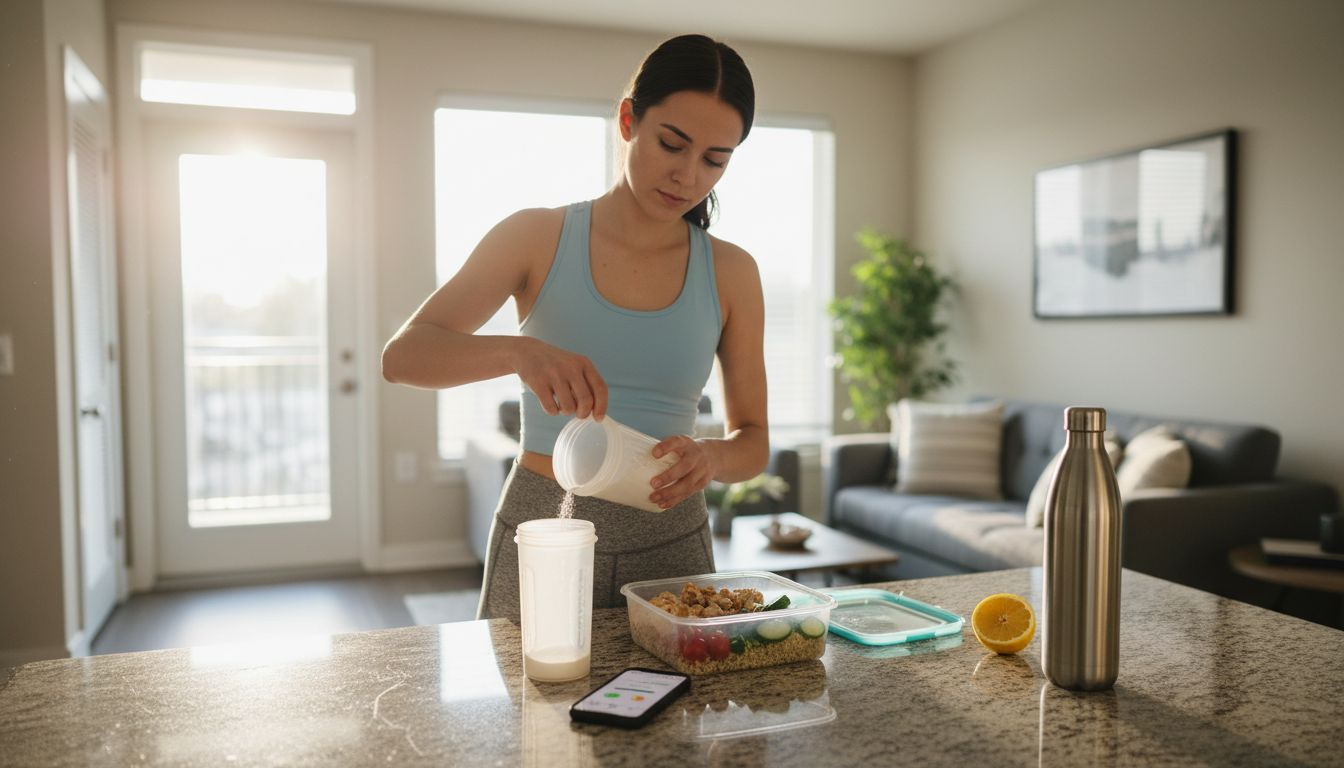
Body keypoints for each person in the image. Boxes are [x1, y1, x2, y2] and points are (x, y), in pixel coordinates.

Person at [381, 34, 768, 620]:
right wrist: (520, 352)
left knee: (672, 710)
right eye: (672, 144)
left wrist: (712, 458)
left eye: (715, 159)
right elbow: (403, 357)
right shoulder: (536, 237)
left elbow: (755, 441)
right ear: (628, 120)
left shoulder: (733, 272)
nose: (688, 176)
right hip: (544, 528)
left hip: (673, 542)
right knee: (527, 708)